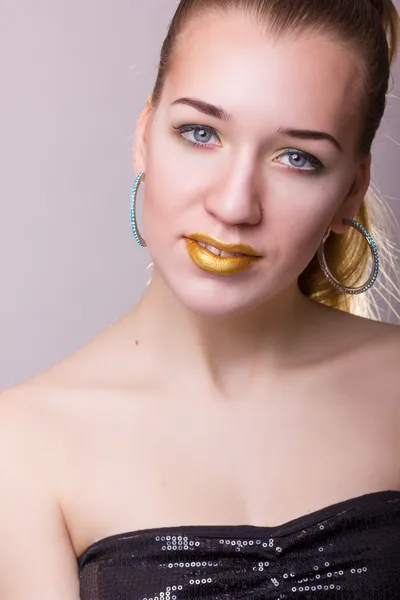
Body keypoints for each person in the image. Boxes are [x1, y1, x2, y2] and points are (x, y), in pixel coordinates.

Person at [1, 0, 400, 598]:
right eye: (200, 132)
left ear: (352, 189)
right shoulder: (22, 445)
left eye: (298, 157)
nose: (235, 205)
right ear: (143, 137)